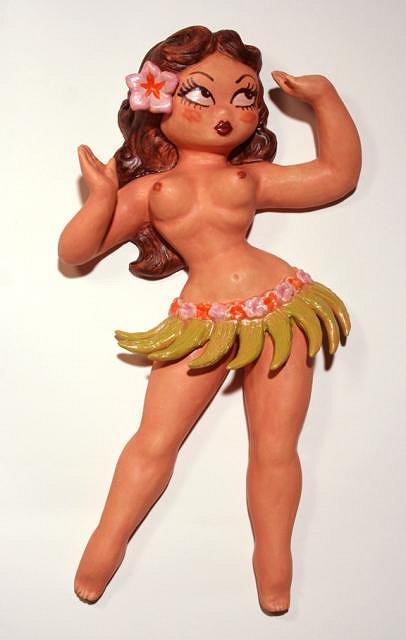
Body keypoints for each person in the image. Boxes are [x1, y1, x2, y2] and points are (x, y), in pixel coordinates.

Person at [58, 25, 361, 614]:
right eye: (201, 94)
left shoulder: (247, 178)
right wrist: (101, 197)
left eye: (244, 97)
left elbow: (335, 176)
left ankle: (274, 560)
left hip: (281, 306)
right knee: (154, 441)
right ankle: (106, 542)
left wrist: (325, 100)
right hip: (203, 319)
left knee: (276, 447)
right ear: (155, 100)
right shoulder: (151, 191)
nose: (225, 113)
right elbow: (75, 251)